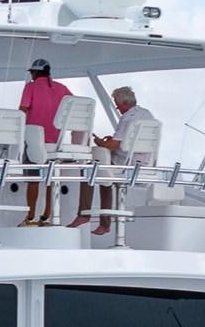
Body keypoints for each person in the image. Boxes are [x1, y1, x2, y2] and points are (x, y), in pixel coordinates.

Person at [68, 85, 155, 235]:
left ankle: (84, 215)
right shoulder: (147, 114)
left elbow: (113, 146)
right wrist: (112, 142)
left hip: (126, 164)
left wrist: (100, 142)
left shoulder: (127, 118)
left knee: (91, 168)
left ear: (125, 103)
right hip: (145, 163)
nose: (117, 107)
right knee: (103, 170)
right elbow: (124, 142)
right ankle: (104, 223)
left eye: (117, 104)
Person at [17, 58, 72, 225]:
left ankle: (31, 216)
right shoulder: (62, 89)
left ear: (35, 72)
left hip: (36, 139)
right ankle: (48, 213)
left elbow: (23, 110)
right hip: (56, 142)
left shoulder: (31, 87)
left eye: (32, 73)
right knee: (51, 177)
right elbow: (74, 107)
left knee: (33, 178)